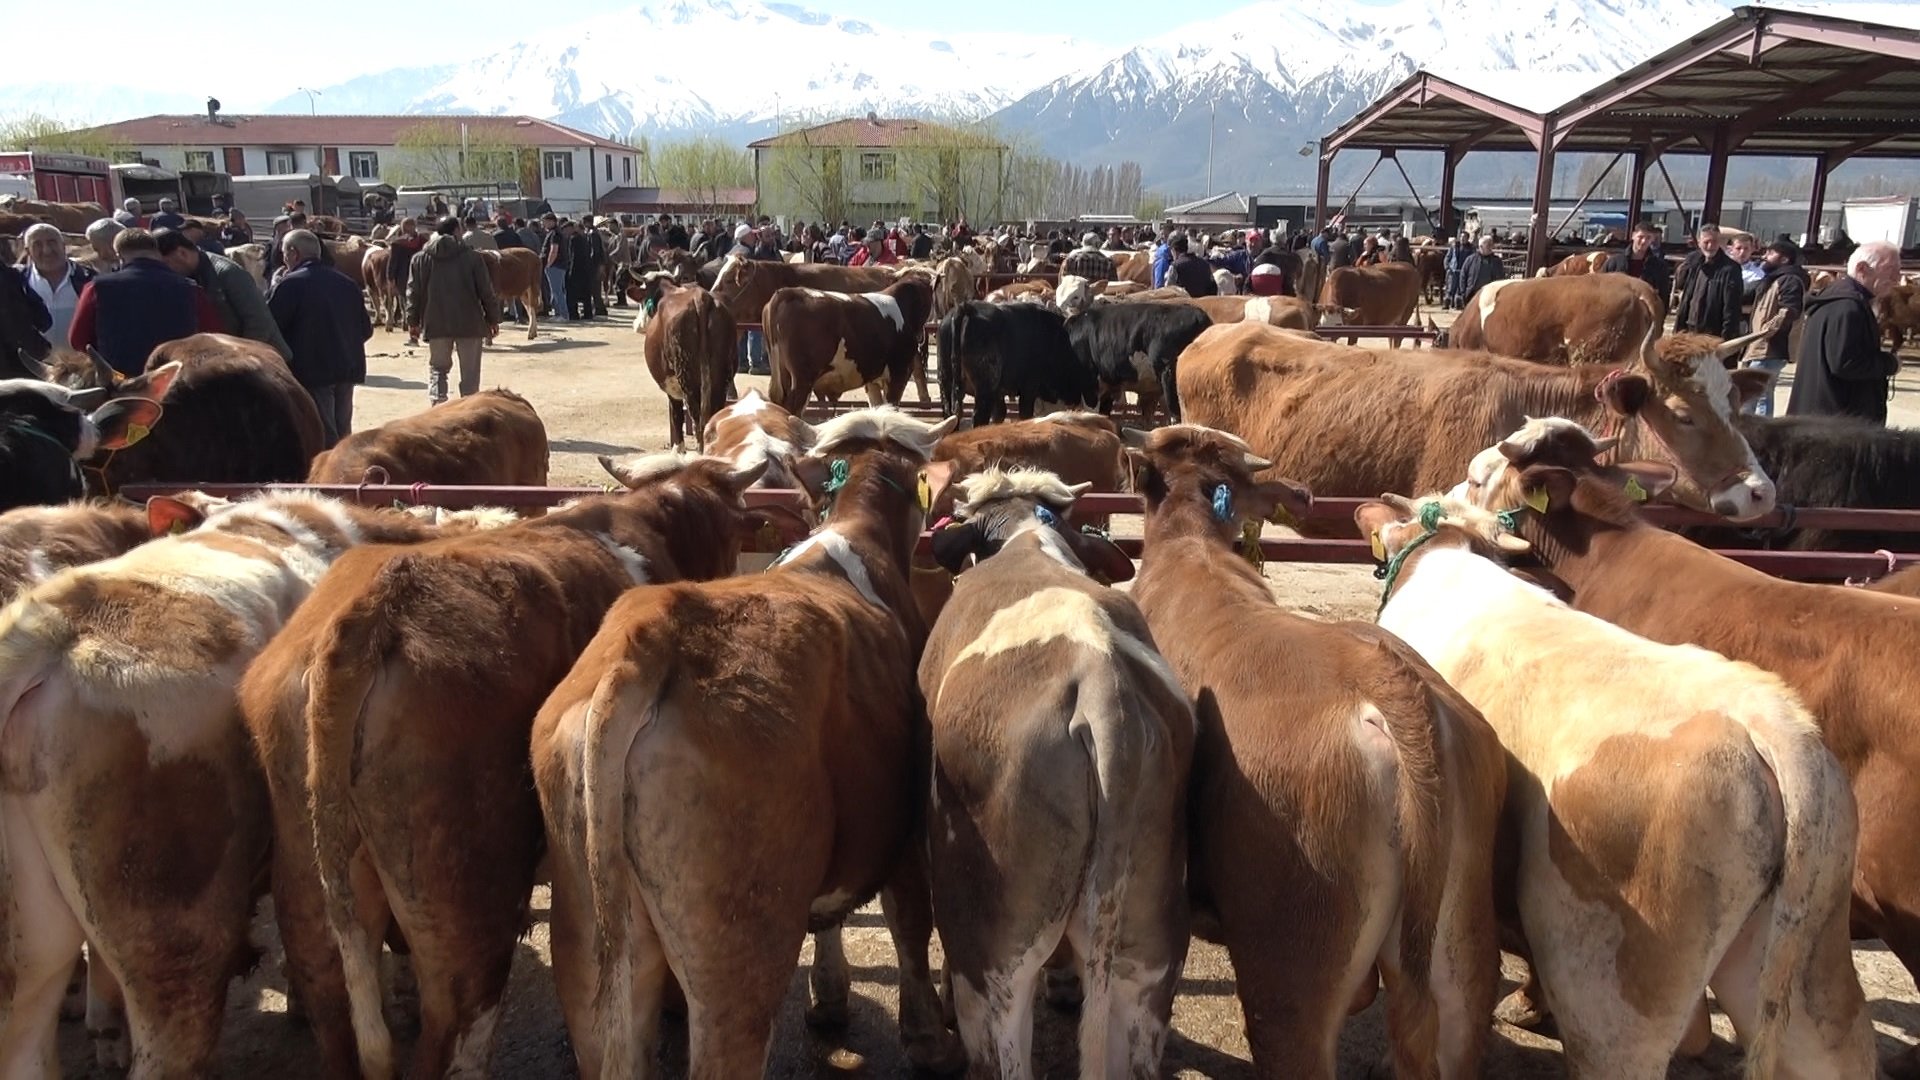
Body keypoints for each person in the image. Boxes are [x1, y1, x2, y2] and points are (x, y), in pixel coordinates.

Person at [67, 228, 221, 376]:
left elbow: (78, 340)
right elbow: (213, 336)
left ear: (120, 256)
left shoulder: (97, 288)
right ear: (157, 253)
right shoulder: (191, 289)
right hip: (176, 380)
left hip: (122, 384)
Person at [268, 229, 369, 446]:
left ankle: (331, 467)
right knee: (343, 430)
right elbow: (366, 329)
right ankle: (345, 465)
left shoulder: (290, 284)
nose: (284, 259)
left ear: (293, 253)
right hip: (348, 367)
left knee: (323, 431)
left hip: (313, 370)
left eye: (284, 253)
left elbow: (272, 327)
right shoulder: (348, 283)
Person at [1787, 240, 1902, 424]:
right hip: (1837, 423)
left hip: (1821, 416)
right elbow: (1845, 363)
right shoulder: (1848, 307)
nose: (1897, 278)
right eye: (1891, 270)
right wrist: (1890, 363)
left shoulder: (1839, 299)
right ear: (1862, 269)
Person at [154, 227, 291, 361]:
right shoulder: (189, 279)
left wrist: (239, 360)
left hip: (265, 361)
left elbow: (259, 323)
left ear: (182, 253)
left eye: (166, 263)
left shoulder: (227, 273)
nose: (164, 270)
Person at [405, 217, 499, 405]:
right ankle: (469, 410)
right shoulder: (472, 258)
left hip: (435, 322)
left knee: (438, 369)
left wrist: (412, 321)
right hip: (470, 323)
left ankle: (437, 406)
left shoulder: (420, 259)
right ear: (456, 231)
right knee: (470, 374)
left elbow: (413, 292)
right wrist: (493, 318)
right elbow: (486, 292)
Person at [1740, 238, 1808, 417]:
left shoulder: (1790, 280)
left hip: (1771, 347)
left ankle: (1758, 429)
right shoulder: (1773, 279)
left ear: (1784, 259)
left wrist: (1766, 331)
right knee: (1755, 392)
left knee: (1758, 393)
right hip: (1760, 345)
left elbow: (1789, 310)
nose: (1765, 256)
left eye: (1771, 253)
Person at [19, 223, 96, 345]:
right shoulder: (18, 283)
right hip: (34, 357)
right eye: (37, 244)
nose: (47, 250)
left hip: (81, 357)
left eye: (52, 242)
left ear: (64, 246)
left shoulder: (90, 281)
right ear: (28, 251)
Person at [1673, 223, 1743, 340]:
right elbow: (1684, 294)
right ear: (1699, 242)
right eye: (1706, 242)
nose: (1710, 246)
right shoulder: (1694, 262)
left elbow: (1732, 308)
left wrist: (1726, 338)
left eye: (1714, 241)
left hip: (1712, 334)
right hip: (1688, 329)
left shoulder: (1730, 269)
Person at [1600, 223, 1674, 310]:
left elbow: (1663, 297)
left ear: (1652, 239)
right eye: (1640, 237)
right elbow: (1600, 290)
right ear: (1633, 236)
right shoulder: (1614, 262)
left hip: (1644, 314)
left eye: (1648, 238)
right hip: (1615, 311)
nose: (1643, 241)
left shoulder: (1659, 267)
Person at [387, 218, 428, 344]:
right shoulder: (424, 242)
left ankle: (414, 336)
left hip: (404, 280)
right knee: (424, 306)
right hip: (423, 278)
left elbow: (393, 264)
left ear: (402, 228)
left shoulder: (397, 243)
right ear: (415, 226)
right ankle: (426, 333)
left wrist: (391, 280)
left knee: (409, 307)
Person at [1459, 235, 1507, 305]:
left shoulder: (1497, 261)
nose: (1491, 247)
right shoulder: (1471, 259)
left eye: (1491, 244)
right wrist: (1463, 293)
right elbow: (1463, 276)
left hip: (1490, 296)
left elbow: (1501, 278)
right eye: (1488, 245)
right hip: (1472, 295)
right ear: (1481, 246)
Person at [541, 218, 573, 323]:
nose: (543, 224)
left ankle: (563, 315)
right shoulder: (555, 233)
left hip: (555, 266)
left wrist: (548, 264)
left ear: (552, 221)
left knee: (557, 291)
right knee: (556, 291)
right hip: (558, 266)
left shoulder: (555, 234)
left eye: (545, 221)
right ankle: (558, 313)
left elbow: (554, 250)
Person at [1443, 232, 1473, 309]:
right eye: (1461, 237)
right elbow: (1447, 257)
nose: (1462, 238)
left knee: (1460, 289)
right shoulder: (1454, 246)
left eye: (1464, 237)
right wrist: (1447, 267)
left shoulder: (1471, 248)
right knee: (1450, 288)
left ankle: (1458, 304)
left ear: (1468, 238)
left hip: (1464, 271)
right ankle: (1447, 304)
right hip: (1453, 270)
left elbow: (1472, 260)